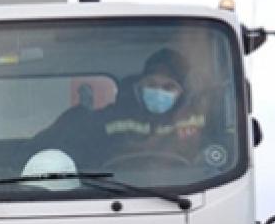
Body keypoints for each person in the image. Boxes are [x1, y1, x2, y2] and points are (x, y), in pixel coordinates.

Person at [28, 47, 223, 173]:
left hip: (184, 197)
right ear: (139, 86)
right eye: (152, 85)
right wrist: (76, 116)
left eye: (168, 87)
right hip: (110, 199)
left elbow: (220, 157)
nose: (158, 92)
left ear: (183, 92)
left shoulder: (199, 120)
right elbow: (64, 139)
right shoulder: (110, 118)